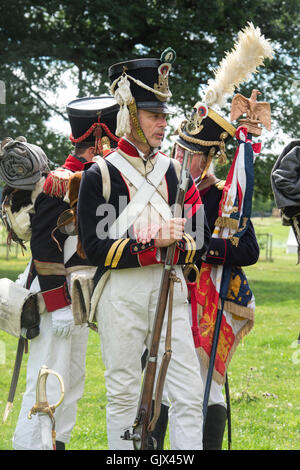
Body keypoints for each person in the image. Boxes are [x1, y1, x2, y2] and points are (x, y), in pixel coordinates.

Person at [77, 49, 211, 450]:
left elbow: (199, 235)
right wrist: (154, 242)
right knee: (122, 392)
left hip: (171, 289)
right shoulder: (100, 174)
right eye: (154, 115)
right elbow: (95, 247)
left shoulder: (173, 170)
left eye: (164, 116)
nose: (163, 124)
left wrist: (181, 241)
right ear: (131, 114)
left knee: (188, 394)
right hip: (122, 293)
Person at [0, 96, 119, 450]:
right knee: (46, 380)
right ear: (99, 141)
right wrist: (58, 302)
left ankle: (55, 444)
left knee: (72, 381)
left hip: (76, 300)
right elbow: (43, 245)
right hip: (55, 301)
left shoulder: (93, 178)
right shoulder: (61, 182)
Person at [151, 102, 260, 450]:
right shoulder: (163, 186)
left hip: (207, 302)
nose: (180, 157)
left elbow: (248, 251)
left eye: (189, 153)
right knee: (158, 382)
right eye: (178, 149)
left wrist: (199, 247)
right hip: (164, 294)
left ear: (207, 159)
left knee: (206, 385)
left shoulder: (222, 196)